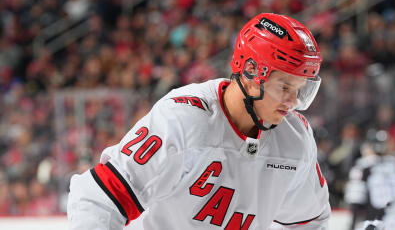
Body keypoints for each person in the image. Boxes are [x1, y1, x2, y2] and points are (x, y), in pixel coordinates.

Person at [67, 13, 330, 230]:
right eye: (285, 87)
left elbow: (310, 222)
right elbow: (99, 197)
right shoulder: (183, 119)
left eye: (300, 89)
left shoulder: (295, 138)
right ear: (251, 71)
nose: (293, 101)